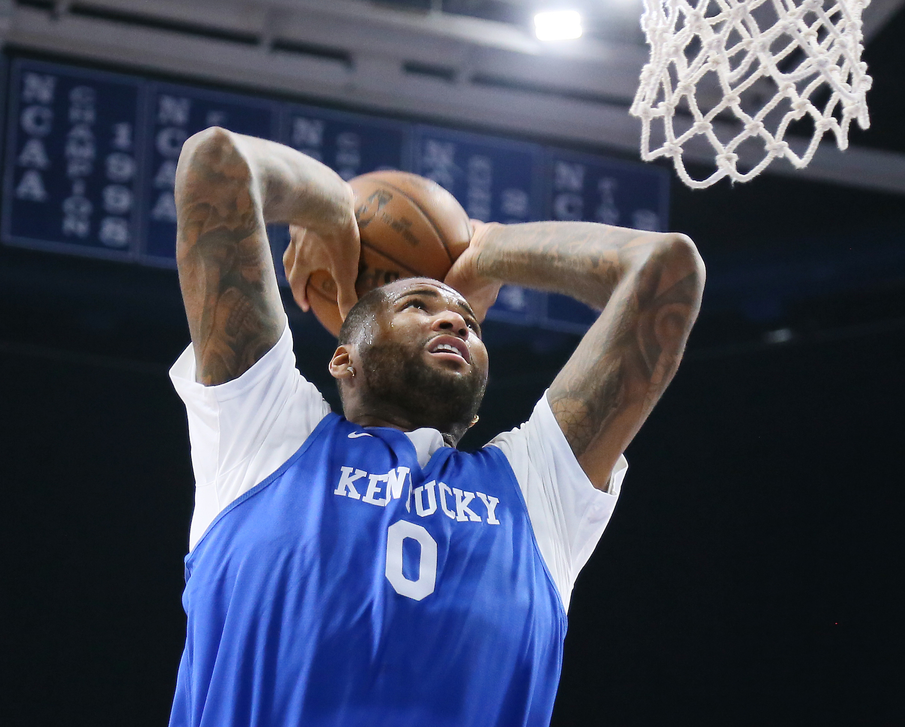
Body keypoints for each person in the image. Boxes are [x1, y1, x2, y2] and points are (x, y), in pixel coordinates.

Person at [167, 127, 705, 727]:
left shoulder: (536, 490)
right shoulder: (265, 434)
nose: (452, 318)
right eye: (417, 305)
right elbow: (218, 162)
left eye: (468, 320)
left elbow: (666, 270)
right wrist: (334, 209)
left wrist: (489, 247)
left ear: (476, 408)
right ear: (344, 357)